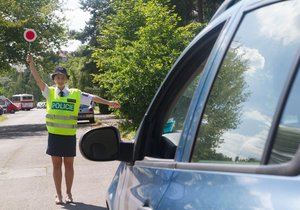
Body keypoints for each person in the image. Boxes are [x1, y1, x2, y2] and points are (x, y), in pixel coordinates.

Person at [26, 53, 120, 204]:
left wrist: (109, 103)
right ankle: (59, 195)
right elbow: (38, 80)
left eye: (63, 77)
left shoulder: (75, 93)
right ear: (54, 79)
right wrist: (31, 63)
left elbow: (92, 98)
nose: (60, 80)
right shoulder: (49, 92)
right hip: (54, 136)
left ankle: (69, 193)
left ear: (67, 79)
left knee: (69, 165)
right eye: (58, 77)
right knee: (56, 166)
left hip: (69, 135)